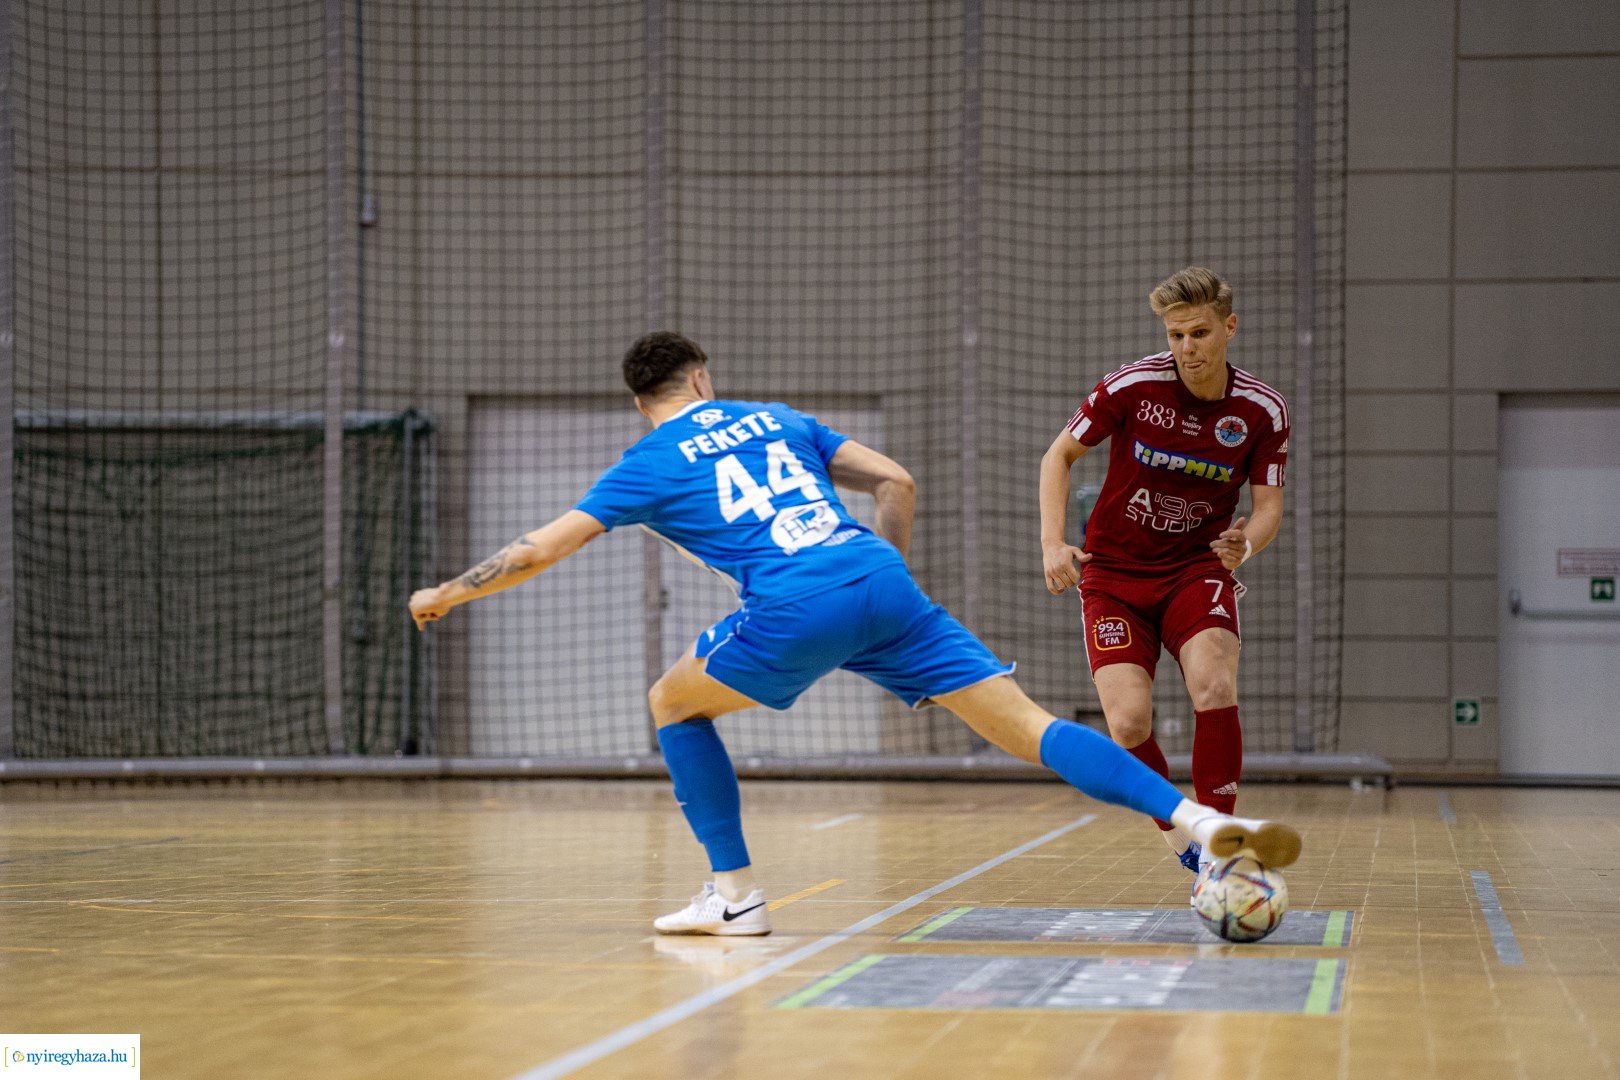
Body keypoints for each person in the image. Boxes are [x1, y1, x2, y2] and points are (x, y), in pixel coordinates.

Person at [410, 330, 1300, 936]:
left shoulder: (644, 461)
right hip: (880, 580)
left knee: (672, 705)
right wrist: (890, 578)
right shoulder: (777, 418)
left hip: (794, 604)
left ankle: (735, 899)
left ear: (644, 401)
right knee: (1032, 731)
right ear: (704, 378)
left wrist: (450, 592)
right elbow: (897, 482)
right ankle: (1197, 818)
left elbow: (543, 548)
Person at [1038, 267, 1289, 885]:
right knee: (1127, 725)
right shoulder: (1131, 387)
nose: (1187, 348)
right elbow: (1059, 454)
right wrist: (1051, 542)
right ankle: (1186, 835)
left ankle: (1223, 849)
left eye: (1200, 332)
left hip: (1195, 569)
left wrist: (1244, 547)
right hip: (1113, 575)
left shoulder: (1262, 411)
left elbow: (1268, 510)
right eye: (1176, 334)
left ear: (1229, 329)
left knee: (1214, 684)